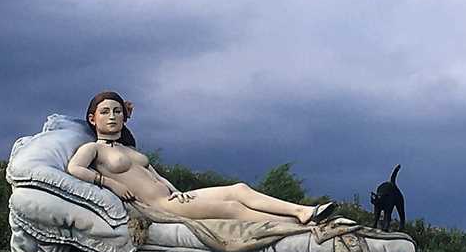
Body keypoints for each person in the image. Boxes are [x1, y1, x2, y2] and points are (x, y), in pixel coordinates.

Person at [66, 90, 338, 225]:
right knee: (231, 208)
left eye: (117, 111)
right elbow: (75, 168)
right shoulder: (94, 149)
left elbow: (155, 176)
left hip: (173, 198)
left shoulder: (129, 150)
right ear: (93, 118)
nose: (112, 117)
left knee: (238, 189)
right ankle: (297, 227)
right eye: (105, 112)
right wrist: (110, 183)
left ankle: (302, 211)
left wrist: (176, 189)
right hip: (159, 208)